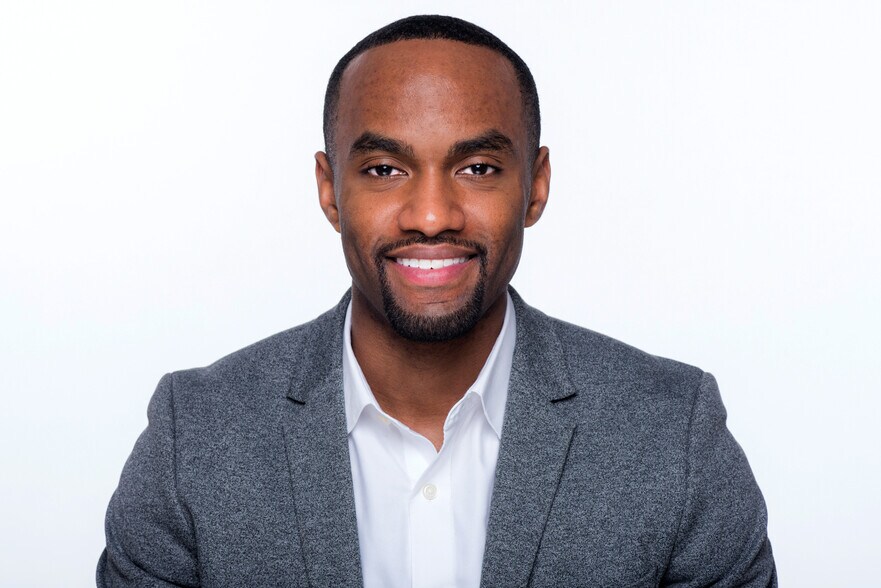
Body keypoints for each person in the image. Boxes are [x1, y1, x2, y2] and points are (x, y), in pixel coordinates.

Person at [98, 15, 776, 588]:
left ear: (535, 186)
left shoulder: (672, 435)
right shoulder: (195, 437)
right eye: (384, 169)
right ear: (329, 190)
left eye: (477, 168)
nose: (430, 215)